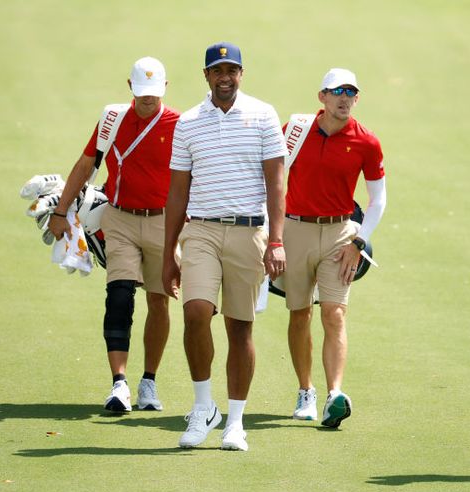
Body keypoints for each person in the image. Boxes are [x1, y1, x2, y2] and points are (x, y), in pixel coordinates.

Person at [163, 42, 287, 451]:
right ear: (206, 76)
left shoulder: (263, 114)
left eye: (232, 70)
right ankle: (204, 408)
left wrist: (277, 240)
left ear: (241, 74)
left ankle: (235, 421)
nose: (225, 78)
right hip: (200, 230)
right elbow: (177, 192)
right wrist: (169, 254)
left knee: (239, 326)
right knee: (196, 312)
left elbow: (276, 183)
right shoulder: (189, 122)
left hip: (249, 231)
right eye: (218, 71)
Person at [48, 57, 179, 413]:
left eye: (153, 93)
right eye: (141, 93)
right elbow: (87, 162)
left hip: (163, 222)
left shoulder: (179, 124)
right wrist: (61, 210)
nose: (147, 100)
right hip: (119, 218)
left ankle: (148, 382)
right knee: (119, 295)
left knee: (158, 300)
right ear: (130, 87)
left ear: (165, 88)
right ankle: (119, 383)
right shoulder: (113, 119)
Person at [281, 68, 386, 428]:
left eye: (351, 93)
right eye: (337, 91)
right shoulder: (293, 131)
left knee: (334, 313)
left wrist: (358, 242)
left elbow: (378, 200)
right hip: (294, 230)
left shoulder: (367, 142)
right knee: (299, 314)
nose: (344, 98)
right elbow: (272, 178)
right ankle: (305, 390)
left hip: (340, 233)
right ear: (321, 96)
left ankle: (333, 395)